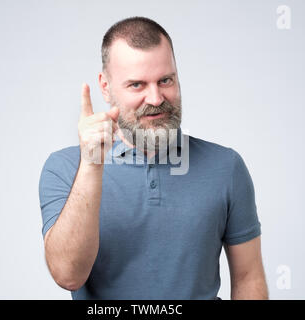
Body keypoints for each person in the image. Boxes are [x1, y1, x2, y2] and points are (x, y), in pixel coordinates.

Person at [38, 16, 268, 300]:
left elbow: (249, 278)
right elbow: (68, 274)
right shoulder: (65, 168)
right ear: (106, 87)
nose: (156, 98)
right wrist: (92, 162)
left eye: (165, 80)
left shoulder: (226, 167)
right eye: (137, 85)